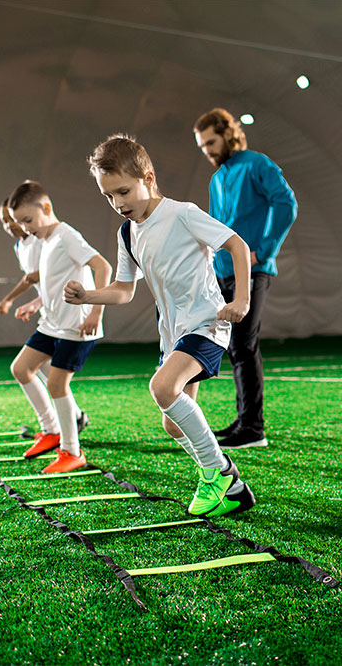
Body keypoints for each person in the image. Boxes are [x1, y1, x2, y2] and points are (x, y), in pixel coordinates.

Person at [64, 134, 256, 518]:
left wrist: (242, 301)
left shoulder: (182, 213)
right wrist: (88, 297)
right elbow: (123, 291)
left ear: (148, 178)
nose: (118, 204)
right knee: (173, 425)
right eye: (108, 197)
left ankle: (222, 475)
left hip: (206, 323)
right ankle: (225, 483)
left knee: (162, 387)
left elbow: (236, 245)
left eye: (123, 191)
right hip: (173, 333)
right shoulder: (127, 233)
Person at [193, 108, 297, 449]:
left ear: (227, 134)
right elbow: (213, 227)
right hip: (221, 273)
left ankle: (253, 429)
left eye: (211, 141)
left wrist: (262, 250)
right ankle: (243, 420)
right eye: (202, 145)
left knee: (243, 345)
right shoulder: (217, 178)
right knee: (234, 347)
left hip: (252, 270)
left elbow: (286, 203)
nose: (207, 149)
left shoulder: (257, 164)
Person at [7, 181, 111, 473]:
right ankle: (51, 431)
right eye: (20, 223)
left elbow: (103, 266)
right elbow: (55, 284)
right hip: (51, 325)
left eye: (28, 220)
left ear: (47, 208)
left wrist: (95, 311)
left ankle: (72, 451)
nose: (25, 228)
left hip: (76, 328)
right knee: (21, 369)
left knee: (56, 383)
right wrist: (35, 303)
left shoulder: (67, 236)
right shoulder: (46, 240)